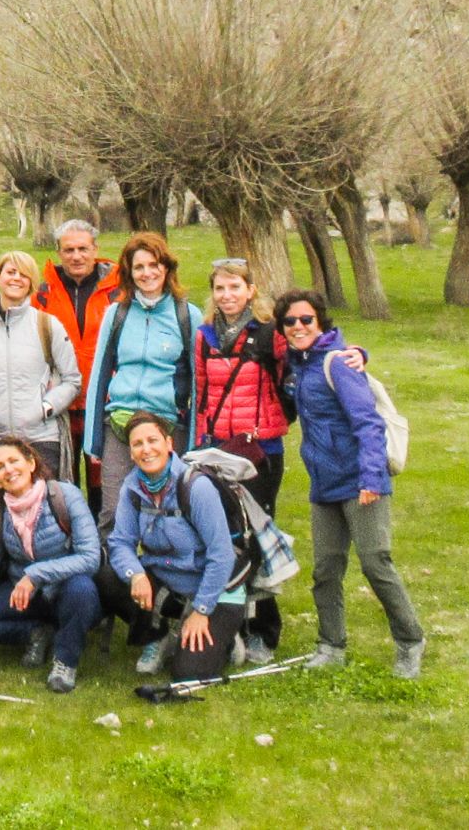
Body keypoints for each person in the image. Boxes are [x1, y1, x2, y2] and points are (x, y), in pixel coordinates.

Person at [275, 289, 425, 678]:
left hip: (361, 481)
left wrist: (372, 478)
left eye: (306, 319)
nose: (298, 327)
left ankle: (410, 641)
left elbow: (368, 423)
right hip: (323, 485)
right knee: (326, 568)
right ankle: (331, 645)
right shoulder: (296, 366)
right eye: (290, 322)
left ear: (320, 321)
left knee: (376, 563)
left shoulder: (337, 363)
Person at [0, 436, 102, 693]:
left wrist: (35, 574)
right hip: (22, 594)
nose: (9, 470)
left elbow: (90, 558)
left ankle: (65, 661)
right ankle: (35, 633)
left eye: (14, 461)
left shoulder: (64, 495)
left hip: (66, 590)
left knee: (82, 589)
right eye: (0, 467)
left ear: (30, 462)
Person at [99, 411, 247, 683]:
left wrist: (202, 610)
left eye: (152, 440)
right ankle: (159, 634)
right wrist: (136, 574)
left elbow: (222, 555)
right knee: (108, 577)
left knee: (188, 673)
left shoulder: (195, 486)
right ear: (131, 453)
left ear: (169, 444)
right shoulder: (131, 489)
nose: (146, 449)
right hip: (170, 584)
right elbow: (120, 542)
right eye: (137, 444)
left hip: (217, 589)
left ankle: (228, 637)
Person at [196, 256, 290, 663]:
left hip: (260, 452)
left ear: (251, 291)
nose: (228, 295)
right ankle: (229, 619)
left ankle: (263, 629)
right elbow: (200, 393)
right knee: (225, 536)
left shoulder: (270, 335)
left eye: (235, 287)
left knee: (258, 537)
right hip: (218, 449)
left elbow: (299, 367)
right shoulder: (204, 336)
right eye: (220, 288)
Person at [81, 233, 199, 526]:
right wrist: (93, 440)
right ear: (129, 273)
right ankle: (113, 569)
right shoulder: (116, 314)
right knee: (112, 511)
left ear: (167, 267)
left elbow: (199, 384)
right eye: (139, 267)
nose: (147, 273)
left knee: (168, 511)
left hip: (166, 424)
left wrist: (194, 443)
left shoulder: (187, 315)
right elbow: (99, 375)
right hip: (119, 424)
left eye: (154, 265)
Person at [0, 249, 81, 478]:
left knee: (42, 508)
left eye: (24, 274)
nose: (16, 278)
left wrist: (45, 407)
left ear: (31, 283)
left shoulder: (48, 325)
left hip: (40, 440)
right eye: (10, 272)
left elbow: (72, 380)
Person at [32, 219, 119, 493]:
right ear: (59, 252)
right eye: (69, 250)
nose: (76, 256)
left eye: (83, 249)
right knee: (62, 481)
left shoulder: (118, 292)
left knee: (102, 483)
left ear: (95, 249)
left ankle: (101, 535)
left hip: (103, 402)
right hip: (60, 404)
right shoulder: (44, 294)